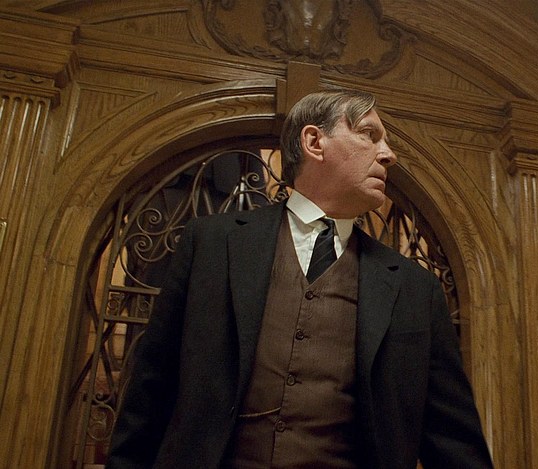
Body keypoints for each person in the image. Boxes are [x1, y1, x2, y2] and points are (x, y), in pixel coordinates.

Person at [107, 89, 494, 469]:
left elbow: (453, 438)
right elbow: (150, 394)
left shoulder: (415, 288)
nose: (388, 155)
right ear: (314, 142)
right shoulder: (211, 244)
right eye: (369, 134)